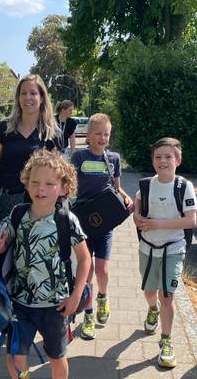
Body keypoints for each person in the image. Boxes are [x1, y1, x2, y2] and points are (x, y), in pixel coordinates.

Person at [0, 150, 92, 379]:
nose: (40, 189)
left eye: (49, 183)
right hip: (20, 301)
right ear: (26, 183)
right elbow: (6, 245)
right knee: (15, 356)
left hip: (56, 305)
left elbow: (85, 258)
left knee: (57, 356)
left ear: (64, 188)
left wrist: (75, 296)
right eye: (34, 182)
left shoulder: (66, 220)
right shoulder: (17, 214)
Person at [132, 137, 197, 368]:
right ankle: (152, 310)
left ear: (178, 160)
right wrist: (137, 216)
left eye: (168, 156)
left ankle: (166, 341)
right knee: (150, 292)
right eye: (158, 157)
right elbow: (137, 203)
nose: (163, 161)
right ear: (153, 161)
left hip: (173, 248)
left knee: (167, 295)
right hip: (148, 248)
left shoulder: (184, 186)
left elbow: (190, 221)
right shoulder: (147, 184)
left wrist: (158, 224)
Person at [70, 113, 134, 340]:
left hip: (106, 222)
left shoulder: (113, 158)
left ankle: (103, 299)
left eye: (106, 134)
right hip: (83, 222)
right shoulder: (78, 157)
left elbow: (117, 187)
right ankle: (87, 314)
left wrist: (127, 199)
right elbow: (69, 185)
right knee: (85, 272)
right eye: (98, 133)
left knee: (102, 270)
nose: (103, 138)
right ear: (88, 135)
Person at [0, 74, 63, 235]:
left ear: (42, 98)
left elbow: (58, 174)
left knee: (28, 258)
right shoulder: (4, 128)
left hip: (37, 207)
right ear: (18, 98)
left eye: (33, 93)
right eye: (23, 93)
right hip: (2, 204)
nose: (27, 98)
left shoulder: (52, 134)